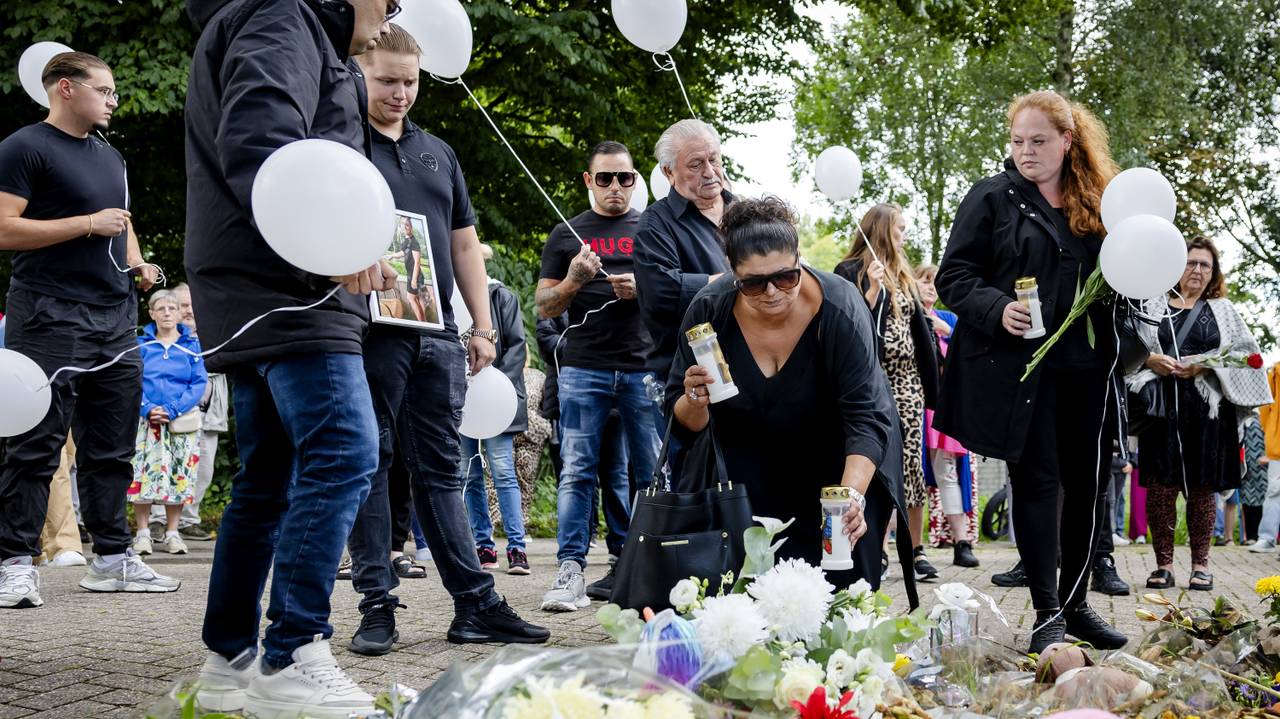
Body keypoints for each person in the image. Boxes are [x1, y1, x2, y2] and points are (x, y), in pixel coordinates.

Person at [184, 0, 404, 714]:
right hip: (290, 287)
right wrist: (331, 249)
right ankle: (293, 654)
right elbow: (263, 144)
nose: (394, 9)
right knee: (344, 447)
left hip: (262, 283)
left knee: (268, 474)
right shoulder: (284, 17)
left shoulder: (276, 20)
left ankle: (229, 661)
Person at [342, 23, 548, 658]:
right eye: (386, 81)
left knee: (441, 469)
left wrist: (481, 326)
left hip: (436, 333)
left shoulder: (439, 153)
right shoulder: (340, 143)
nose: (400, 94)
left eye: (410, 82)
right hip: (364, 331)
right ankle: (376, 603)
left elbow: (463, 244)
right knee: (370, 466)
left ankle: (474, 604)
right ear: (361, 74)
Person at [936, 90, 1126, 653]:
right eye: (1018, 141)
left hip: (1089, 368)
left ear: (1068, 142)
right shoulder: (992, 198)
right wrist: (999, 308)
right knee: (1040, 482)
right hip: (1022, 372)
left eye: (1039, 141)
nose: (1026, 151)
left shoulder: (1098, 202)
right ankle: (1047, 612)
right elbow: (955, 276)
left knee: (1088, 485)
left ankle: (1077, 603)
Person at [669, 196, 914, 601]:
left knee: (838, 608)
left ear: (800, 258)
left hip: (833, 471)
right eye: (752, 282)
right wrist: (694, 401)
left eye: (785, 277)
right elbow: (684, 425)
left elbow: (866, 416)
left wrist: (851, 497)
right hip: (743, 483)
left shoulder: (841, 308)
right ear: (731, 272)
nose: (771, 292)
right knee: (743, 608)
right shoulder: (708, 310)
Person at [0, 50, 175, 612]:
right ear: (66, 89)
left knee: (112, 450)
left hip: (115, 319)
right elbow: (3, 229)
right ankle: (14, 565)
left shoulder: (110, 154)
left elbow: (121, 225)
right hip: (49, 315)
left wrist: (141, 264)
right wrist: (86, 225)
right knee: (35, 448)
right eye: (105, 90)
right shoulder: (24, 147)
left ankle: (113, 560)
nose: (114, 101)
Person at [536, 140, 661, 611]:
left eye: (625, 178)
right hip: (583, 368)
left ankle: (645, 568)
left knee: (649, 473)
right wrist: (573, 279)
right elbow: (544, 306)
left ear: (635, 180)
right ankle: (570, 572)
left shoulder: (652, 229)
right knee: (577, 472)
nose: (615, 187)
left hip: (641, 370)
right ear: (589, 181)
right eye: (605, 178)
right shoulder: (568, 231)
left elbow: (679, 296)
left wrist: (642, 290)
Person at [1127, 235, 1268, 592]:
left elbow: (1246, 355)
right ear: (1176, 265)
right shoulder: (1152, 305)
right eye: (1191, 262)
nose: (1198, 270)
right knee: (1161, 488)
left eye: (1205, 265)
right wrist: (1149, 359)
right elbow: (1129, 345)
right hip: (1161, 409)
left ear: (1213, 272)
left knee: (1203, 488)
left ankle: (1201, 565)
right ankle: (1163, 565)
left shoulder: (1222, 309)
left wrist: (1206, 366)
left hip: (1208, 412)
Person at [835, 212, 942, 583]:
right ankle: (875, 547)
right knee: (878, 465)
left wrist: (935, 388)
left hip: (908, 384)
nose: (904, 236)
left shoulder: (906, 276)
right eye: (899, 229)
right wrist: (871, 296)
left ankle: (915, 548)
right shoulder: (848, 271)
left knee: (912, 467)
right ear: (882, 229)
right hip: (872, 382)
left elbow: (921, 333)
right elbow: (850, 329)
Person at [635, 120, 733, 378]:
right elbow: (662, 292)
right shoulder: (654, 224)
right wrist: (738, 280)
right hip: (688, 373)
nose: (710, 172)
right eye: (696, 164)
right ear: (668, 172)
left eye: (714, 159)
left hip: (751, 364)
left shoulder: (745, 212)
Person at [461, 245, 531, 575]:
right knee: (469, 474)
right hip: (460, 404)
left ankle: (517, 547)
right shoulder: (451, 297)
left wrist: (493, 385)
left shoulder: (501, 297)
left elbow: (516, 347)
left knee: (503, 473)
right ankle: (483, 544)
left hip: (494, 401)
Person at [130, 290, 208, 557]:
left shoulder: (191, 346)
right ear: (151, 313)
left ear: (178, 313)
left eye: (171, 308)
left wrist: (173, 409)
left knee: (179, 475)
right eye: (160, 308)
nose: (166, 313)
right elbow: (133, 379)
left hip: (180, 423)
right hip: (146, 422)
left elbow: (198, 382)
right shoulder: (141, 345)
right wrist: (148, 408)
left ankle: (173, 533)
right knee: (142, 475)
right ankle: (142, 533)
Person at [913, 264, 979, 567]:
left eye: (934, 284)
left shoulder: (949, 319)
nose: (930, 288)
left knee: (948, 475)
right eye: (924, 281)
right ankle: (900, 545)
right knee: (905, 475)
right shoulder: (907, 317)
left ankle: (961, 542)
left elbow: (966, 358)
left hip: (941, 407)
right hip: (913, 404)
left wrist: (947, 332)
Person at [148, 283, 225, 543]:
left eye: (193, 305)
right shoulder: (161, 341)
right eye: (183, 305)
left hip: (209, 413)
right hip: (169, 412)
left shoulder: (214, 330)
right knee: (162, 464)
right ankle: (158, 521)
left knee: (201, 469)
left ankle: (188, 520)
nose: (189, 310)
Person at [1249, 362, 1280, 552]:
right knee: (1274, 490)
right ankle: (1267, 538)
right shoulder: (1276, 371)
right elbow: (1266, 407)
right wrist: (1272, 436)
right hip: (1278, 444)